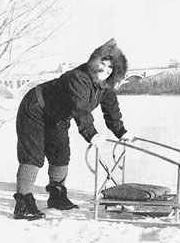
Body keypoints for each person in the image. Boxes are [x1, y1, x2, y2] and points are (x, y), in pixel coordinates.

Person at [13, 38, 134, 220]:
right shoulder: (78, 78)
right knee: (33, 154)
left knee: (61, 153)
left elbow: (111, 110)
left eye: (110, 68)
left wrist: (121, 132)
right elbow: (80, 108)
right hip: (35, 107)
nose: (105, 70)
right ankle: (23, 203)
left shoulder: (105, 86)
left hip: (58, 116)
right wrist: (91, 134)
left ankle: (57, 195)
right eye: (103, 64)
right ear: (95, 61)